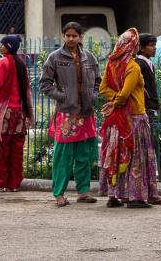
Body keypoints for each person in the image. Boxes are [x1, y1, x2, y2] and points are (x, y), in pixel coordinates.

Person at [99, 28, 161, 208]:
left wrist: (113, 101)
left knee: (117, 155)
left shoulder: (111, 64)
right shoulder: (132, 67)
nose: (136, 49)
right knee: (137, 158)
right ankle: (135, 197)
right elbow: (125, 94)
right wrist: (117, 101)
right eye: (135, 46)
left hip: (116, 120)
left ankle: (114, 196)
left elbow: (103, 88)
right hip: (134, 118)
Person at [39, 22, 100, 207]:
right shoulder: (55, 58)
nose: (71, 38)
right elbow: (44, 85)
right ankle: (59, 194)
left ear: (80, 37)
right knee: (63, 157)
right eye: (68, 35)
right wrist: (63, 97)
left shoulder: (89, 58)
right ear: (63, 36)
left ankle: (83, 192)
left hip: (86, 113)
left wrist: (94, 95)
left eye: (75, 35)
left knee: (84, 155)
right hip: (66, 114)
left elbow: (98, 81)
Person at [0, 35, 34, 192]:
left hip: (4, 112)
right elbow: (27, 89)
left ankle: (1, 183)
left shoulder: (3, 61)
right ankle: (14, 184)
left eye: (3, 45)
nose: (0, 47)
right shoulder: (21, 64)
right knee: (16, 149)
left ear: (9, 46)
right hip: (19, 112)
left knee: (1, 148)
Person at [135, 33, 159, 133]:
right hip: (144, 107)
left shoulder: (149, 63)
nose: (154, 48)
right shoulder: (139, 64)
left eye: (155, 45)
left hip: (150, 106)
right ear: (142, 48)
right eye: (151, 45)